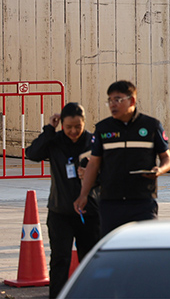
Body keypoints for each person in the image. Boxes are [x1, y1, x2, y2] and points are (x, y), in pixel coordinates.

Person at [74, 81, 170, 237]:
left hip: (142, 201)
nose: (112, 104)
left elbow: (167, 158)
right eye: (110, 100)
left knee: (146, 244)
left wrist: (159, 170)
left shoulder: (151, 126)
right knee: (113, 245)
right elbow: (93, 164)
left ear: (131, 100)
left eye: (118, 100)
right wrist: (83, 194)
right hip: (111, 202)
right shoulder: (103, 129)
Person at [26, 103, 100, 298]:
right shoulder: (55, 141)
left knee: (90, 261)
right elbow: (32, 154)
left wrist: (93, 176)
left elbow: (109, 173)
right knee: (60, 260)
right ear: (61, 125)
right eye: (68, 127)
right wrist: (49, 130)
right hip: (60, 212)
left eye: (78, 126)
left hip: (89, 212)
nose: (73, 131)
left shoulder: (94, 142)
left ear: (84, 123)